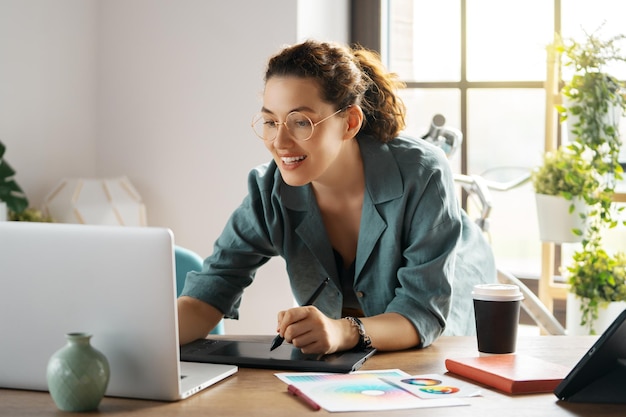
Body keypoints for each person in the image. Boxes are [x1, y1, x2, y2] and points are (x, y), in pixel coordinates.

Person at [177, 39, 496, 354]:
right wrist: (140, 340)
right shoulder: (269, 190)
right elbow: (211, 291)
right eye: (272, 122)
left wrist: (343, 330)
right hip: (350, 353)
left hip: (441, 335)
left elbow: (422, 311)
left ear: (350, 122)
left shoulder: (422, 172)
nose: (280, 141)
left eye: (301, 122)